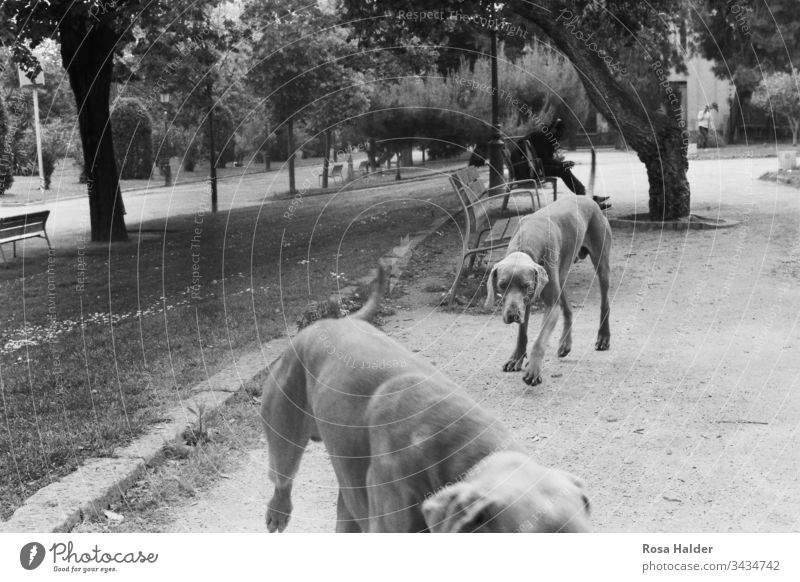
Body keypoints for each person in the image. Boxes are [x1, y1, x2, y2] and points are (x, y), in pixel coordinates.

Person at [512, 119, 610, 209]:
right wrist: (562, 164)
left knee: (563, 169)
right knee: (563, 170)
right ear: (555, 130)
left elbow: (544, 160)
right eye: (561, 132)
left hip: (531, 168)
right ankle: (590, 200)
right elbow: (545, 160)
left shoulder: (544, 136)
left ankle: (589, 197)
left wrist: (562, 164)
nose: (562, 135)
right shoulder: (544, 138)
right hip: (527, 172)